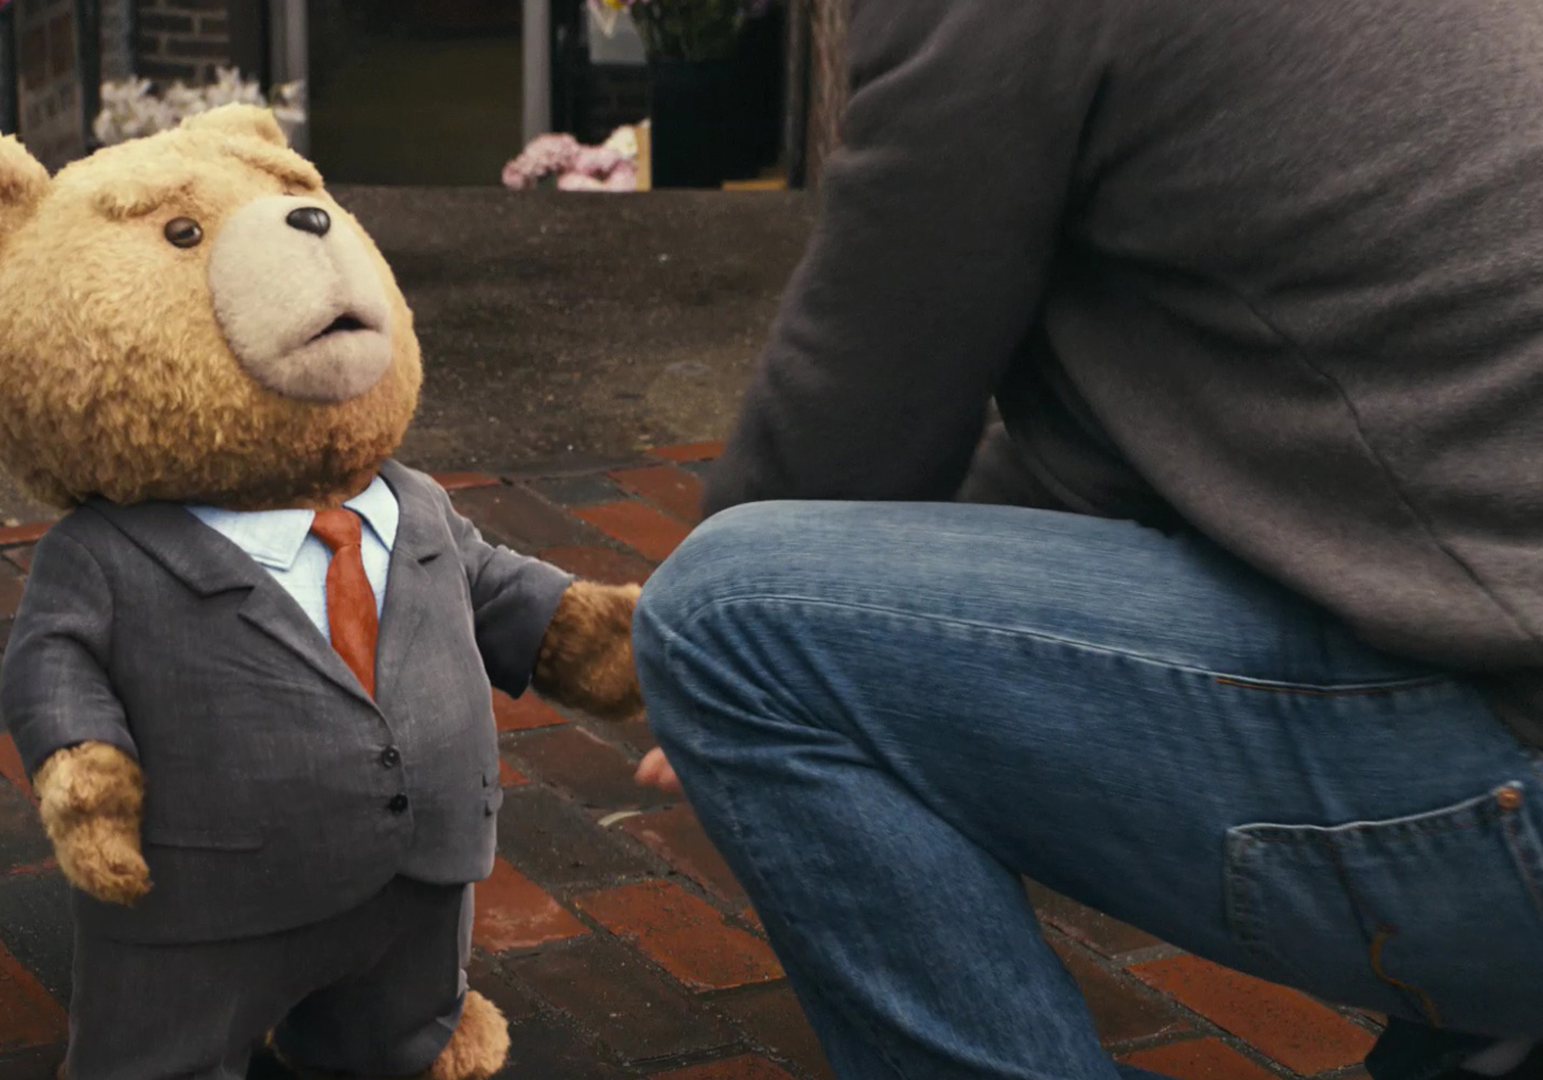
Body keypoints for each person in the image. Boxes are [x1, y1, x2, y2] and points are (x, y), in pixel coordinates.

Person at [626, 1, 1543, 1078]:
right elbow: (1113, 451)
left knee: (723, 619)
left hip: (1510, 764)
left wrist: (718, 675)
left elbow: (858, 397)